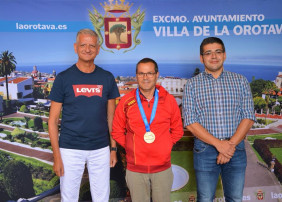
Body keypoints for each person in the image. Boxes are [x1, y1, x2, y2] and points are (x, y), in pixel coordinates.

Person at [48, 28, 120, 202]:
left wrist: (113, 149)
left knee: (102, 197)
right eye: (83, 45)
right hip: (70, 149)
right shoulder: (63, 79)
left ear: (98, 48)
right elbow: (52, 121)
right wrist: (57, 156)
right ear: (75, 47)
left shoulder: (107, 78)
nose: (87, 49)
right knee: (69, 197)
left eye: (91, 45)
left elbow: (112, 118)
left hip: (100, 149)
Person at [182, 37, 255, 202]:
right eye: (208, 53)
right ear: (202, 58)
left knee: (235, 198)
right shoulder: (192, 85)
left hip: (235, 150)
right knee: (205, 198)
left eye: (217, 52)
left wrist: (229, 146)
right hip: (205, 151)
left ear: (224, 55)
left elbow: (248, 116)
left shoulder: (240, 81)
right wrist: (219, 144)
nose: (213, 56)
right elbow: (190, 122)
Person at [112, 58, 183, 202]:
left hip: (163, 168)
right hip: (135, 169)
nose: (145, 77)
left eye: (150, 73)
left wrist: (166, 145)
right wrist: (132, 147)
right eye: (141, 73)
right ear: (136, 76)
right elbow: (117, 131)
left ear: (157, 75)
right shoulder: (126, 101)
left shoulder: (168, 100)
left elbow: (178, 130)